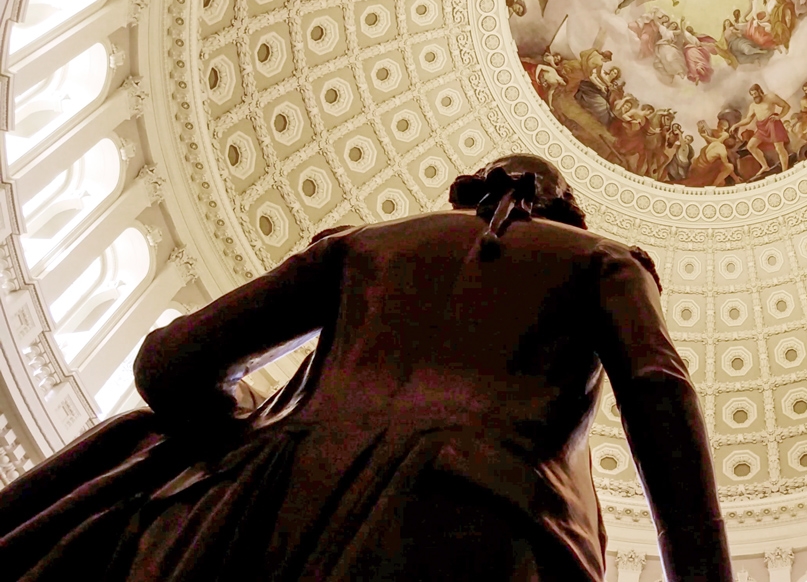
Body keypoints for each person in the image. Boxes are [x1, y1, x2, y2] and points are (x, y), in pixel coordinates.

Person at [0, 155, 732, 582]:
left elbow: (168, 364)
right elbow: (660, 399)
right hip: (491, 526)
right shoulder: (604, 261)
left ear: (472, 188)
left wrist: (249, 420)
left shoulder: (363, 246)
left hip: (268, 508)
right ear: (566, 210)